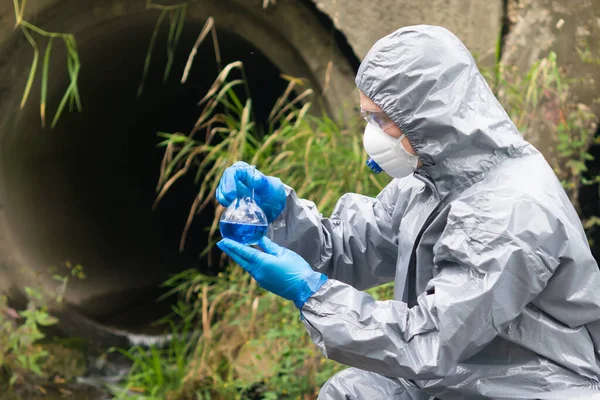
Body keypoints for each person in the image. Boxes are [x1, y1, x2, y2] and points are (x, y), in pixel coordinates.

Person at [215, 25, 600, 399]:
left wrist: (311, 294)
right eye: (367, 117)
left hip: (532, 385)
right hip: (463, 374)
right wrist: (282, 210)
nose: (372, 134)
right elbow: (352, 248)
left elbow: (431, 340)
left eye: (381, 119)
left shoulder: (510, 212)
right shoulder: (435, 178)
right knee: (354, 391)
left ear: (430, 117)